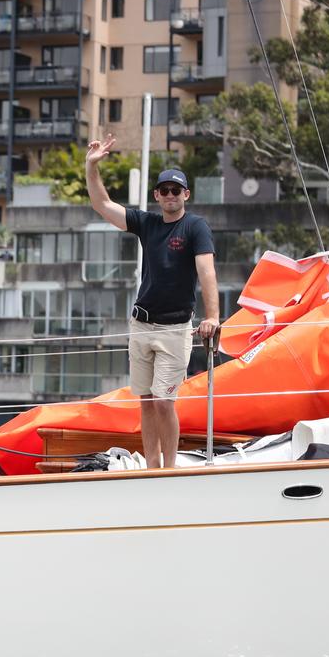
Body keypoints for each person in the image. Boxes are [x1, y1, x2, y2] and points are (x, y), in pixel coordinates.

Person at [85, 135, 219, 469]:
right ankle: (152, 468)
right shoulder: (149, 223)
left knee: (163, 402)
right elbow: (102, 205)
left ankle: (169, 470)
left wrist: (213, 316)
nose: (171, 195)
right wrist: (91, 166)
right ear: (157, 195)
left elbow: (207, 271)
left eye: (177, 190)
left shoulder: (195, 227)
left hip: (175, 328)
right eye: (165, 190)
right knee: (145, 401)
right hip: (141, 323)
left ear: (186, 195)